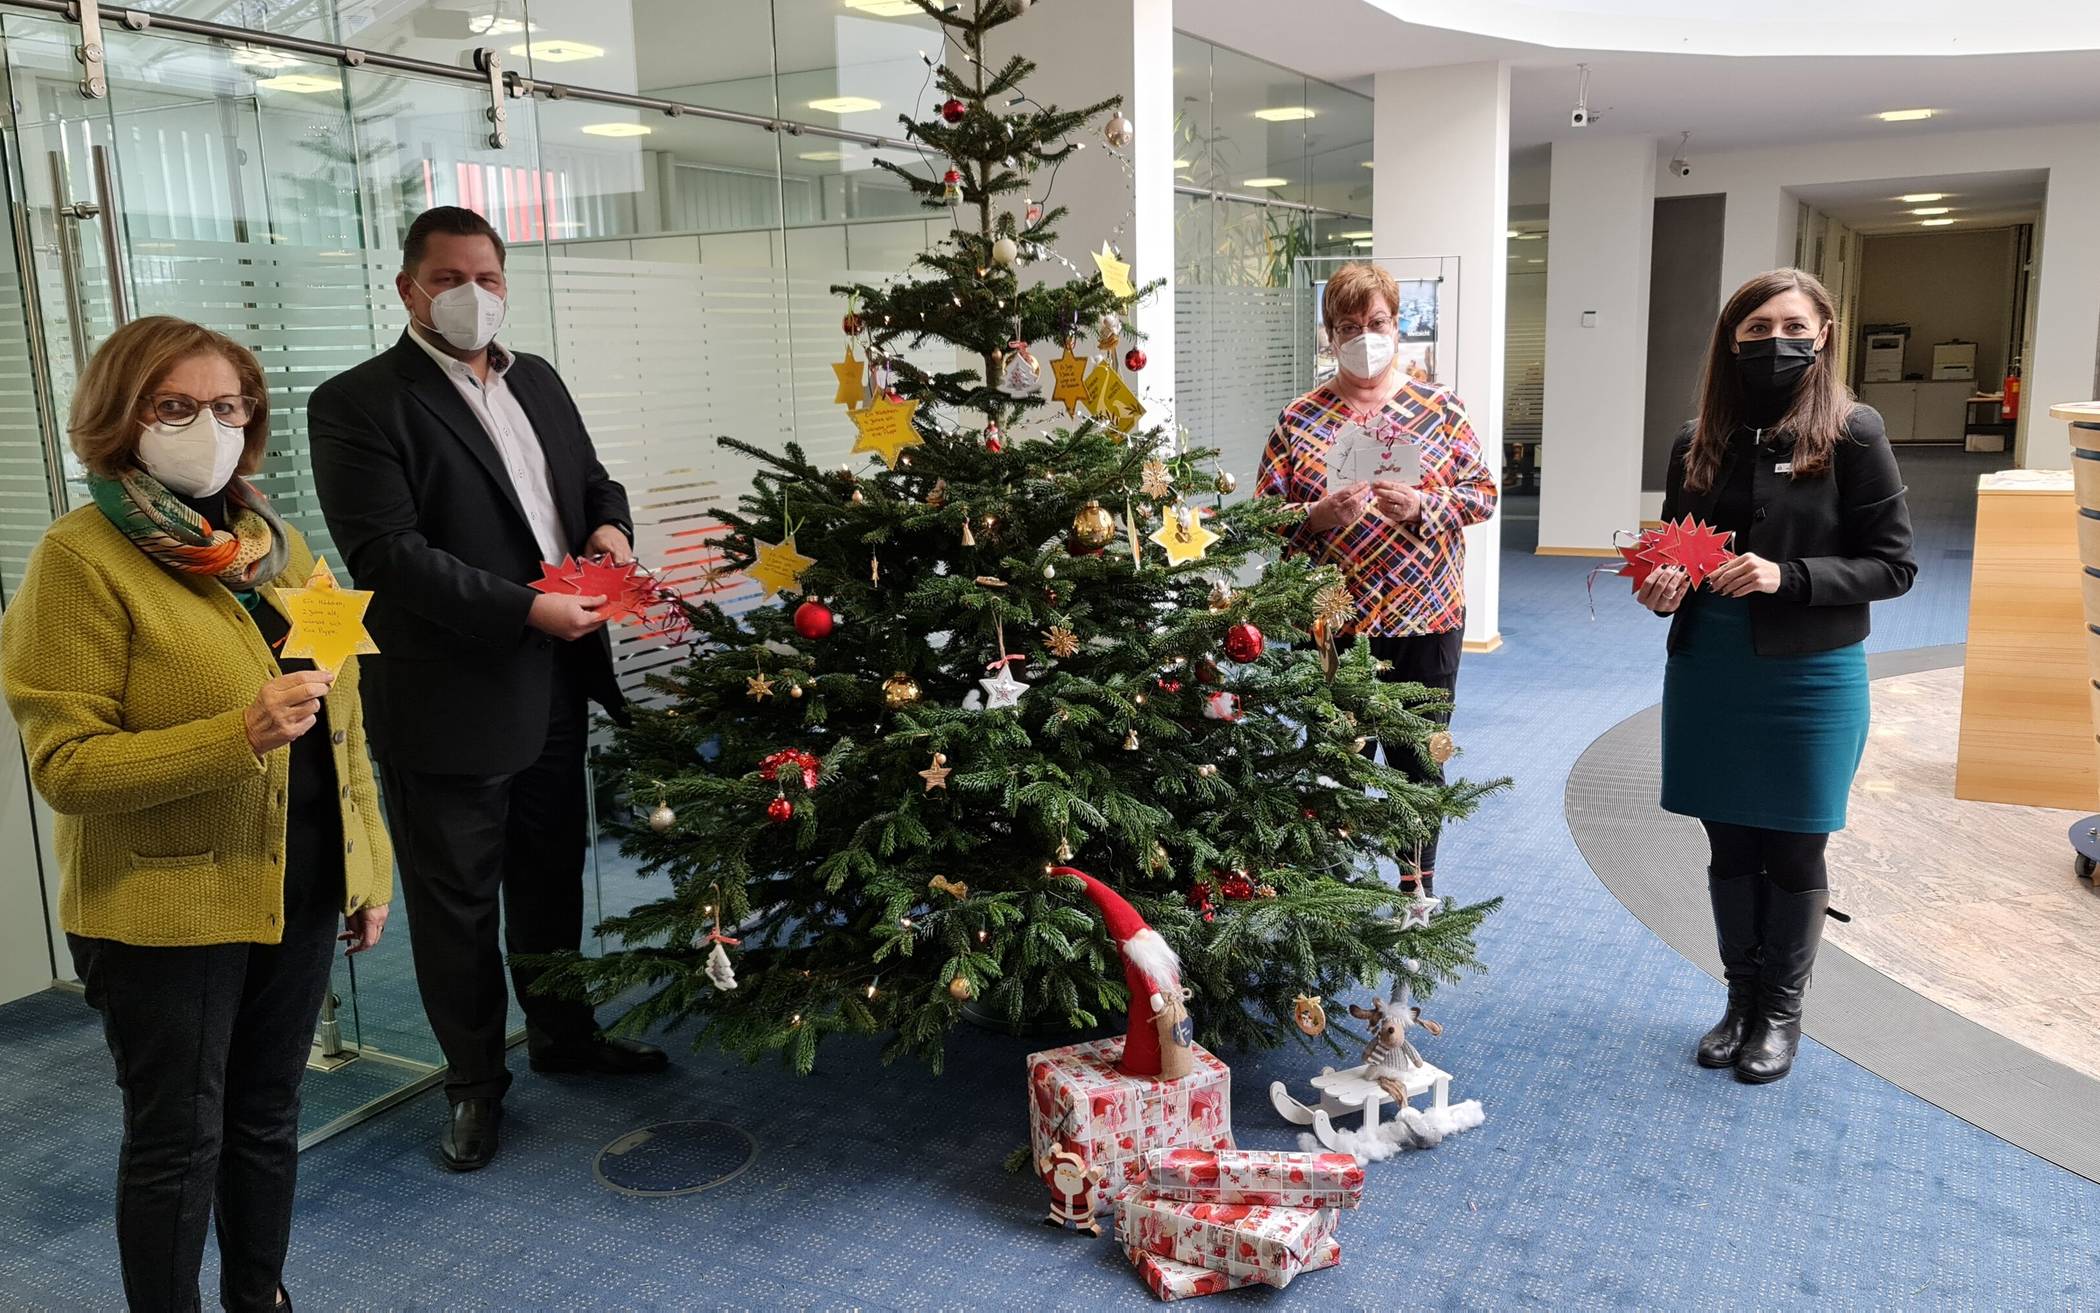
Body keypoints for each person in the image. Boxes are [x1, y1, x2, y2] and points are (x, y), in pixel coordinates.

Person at [2, 316, 392, 1310]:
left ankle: (261, 1295)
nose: (206, 426)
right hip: (161, 906)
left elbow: (339, 714)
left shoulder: (276, 543)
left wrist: (366, 865)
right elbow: (69, 765)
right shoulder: (78, 558)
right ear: (119, 416)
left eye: (227, 406)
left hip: (298, 880)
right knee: (180, 1139)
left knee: (267, 1114)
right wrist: (237, 735)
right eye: (174, 406)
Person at [306, 206, 665, 1173]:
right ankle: (473, 1084)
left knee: (550, 873)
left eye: (492, 277)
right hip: (451, 694)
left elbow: (590, 482)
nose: (476, 294)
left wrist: (612, 536)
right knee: (457, 900)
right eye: (453, 277)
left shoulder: (535, 378)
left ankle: (564, 1034)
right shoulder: (356, 402)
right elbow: (389, 555)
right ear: (409, 289)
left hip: (557, 678)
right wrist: (523, 610)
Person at [1639, 267, 1915, 1085]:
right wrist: (1663, 588)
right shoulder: (1697, 440)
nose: (1775, 343)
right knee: (1728, 839)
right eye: (1756, 330)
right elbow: (1676, 553)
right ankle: (1738, 998)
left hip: (1810, 673)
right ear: (1731, 341)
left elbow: (1892, 566)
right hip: (1712, 666)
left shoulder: (1855, 432)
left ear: (1824, 333)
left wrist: (1783, 576)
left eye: (1793, 327)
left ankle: (1781, 1011)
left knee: (1794, 846)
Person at [1256, 261, 1498, 897]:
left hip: (1428, 612)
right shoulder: (1299, 418)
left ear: (1398, 325)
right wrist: (1313, 515)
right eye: (1347, 326)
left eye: (1377, 322)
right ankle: (1331, 899)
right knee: (1336, 760)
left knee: (1418, 762)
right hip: (1335, 619)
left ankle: (1414, 895)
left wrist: (1425, 505)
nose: (1365, 335)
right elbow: (1261, 517)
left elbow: (1483, 493)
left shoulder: (1439, 409)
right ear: (1329, 337)